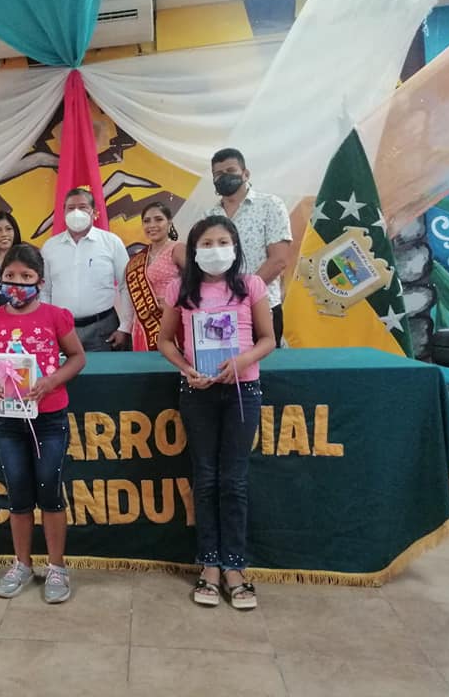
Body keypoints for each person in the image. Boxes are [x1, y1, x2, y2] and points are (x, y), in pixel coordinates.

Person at [158, 215, 275, 610]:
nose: (215, 250)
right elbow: (165, 341)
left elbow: (268, 339)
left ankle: (235, 568)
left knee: (234, 480)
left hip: (243, 391)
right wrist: (186, 369)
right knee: (205, 479)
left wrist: (242, 361)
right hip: (198, 392)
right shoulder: (180, 289)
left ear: (235, 247)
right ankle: (209, 565)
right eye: (206, 244)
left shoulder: (250, 285)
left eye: (222, 242)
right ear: (193, 250)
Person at [0, 244, 86, 604]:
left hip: (49, 418)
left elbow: (77, 357)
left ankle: (57, 567)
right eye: (10, 276)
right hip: (8, 420)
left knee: (49, 489)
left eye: (26, 276)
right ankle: (22, 564)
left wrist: (51, 382)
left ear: (39, 281)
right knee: (18, 492)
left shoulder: (56, 316)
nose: (17, 283)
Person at [205, 148, 292, 345]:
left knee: (264, 364)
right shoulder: (209, 216)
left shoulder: (270, 205)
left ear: (245, 174)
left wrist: (241, 295)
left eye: (230, 171)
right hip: (219, 311)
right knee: (223, 363)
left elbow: (279, 260)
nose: (224, 177)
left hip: (263, 307)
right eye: (218, 174)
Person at [41, 188, 134, 352]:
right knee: (64, 370)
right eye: (71, 208)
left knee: (104, 370)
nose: (76, 212)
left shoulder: (111, 242)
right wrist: (47, 325)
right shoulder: (50, 247)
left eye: (82, 207)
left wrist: (125, 327)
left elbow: (126, 286)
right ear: (63, 212)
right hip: (62, 330)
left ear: (94, 212)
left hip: (103, 329)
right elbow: (45, 291)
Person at [125, 202, 185, 351]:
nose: (152, 225)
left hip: (172, 320)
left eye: (158, 219)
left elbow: (196, 282)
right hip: (144, 323)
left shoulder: (178, 249)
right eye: (147, 221)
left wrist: (175, 302)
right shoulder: (139, 258)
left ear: (169, 222)